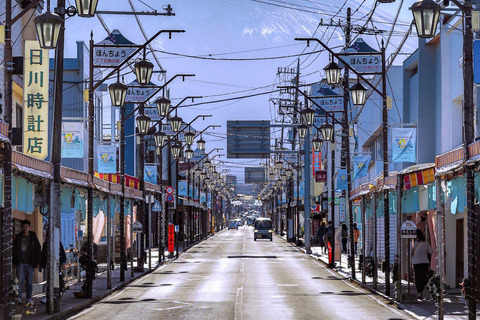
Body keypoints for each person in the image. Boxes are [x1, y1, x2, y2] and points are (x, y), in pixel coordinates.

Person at [12, 220, 41, 304]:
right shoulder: (18, 238)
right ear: (21, 227)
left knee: (29, 281)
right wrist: (14, 262)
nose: (25, 228)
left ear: (29, 227)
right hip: (20, 262)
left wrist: (37, 262)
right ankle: (19, 297)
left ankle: (29, 298)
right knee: (20, 281)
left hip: (30, 263)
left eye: (26, 227)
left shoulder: (33, 237)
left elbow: (37, 250)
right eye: (23, 227)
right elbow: (14, 251)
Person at [39, 236, 67, 304]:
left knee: (57, 281)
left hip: (57, 265)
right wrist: (41, 265)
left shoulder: (59, 243)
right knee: (46, 281)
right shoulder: (46, 244)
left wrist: (63, 263)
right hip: (47, 265)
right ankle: (46, 296)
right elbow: (43, 255)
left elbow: (63, 255)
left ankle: (56, 296)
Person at [412, 229, 433, 299]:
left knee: (417, 277)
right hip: (424, 262)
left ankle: (419, 292)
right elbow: (430, 251)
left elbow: (410, 253)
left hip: (416, 262)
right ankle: (422, 289)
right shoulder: (426, 243)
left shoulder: (413, 243)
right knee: (423, 276)